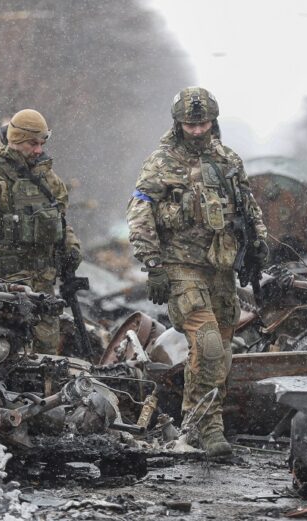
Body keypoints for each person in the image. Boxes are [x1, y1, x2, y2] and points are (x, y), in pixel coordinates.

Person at [126, 87, 268, 457]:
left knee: (218, 351)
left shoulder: (228, 159)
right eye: (190, 124)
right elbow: (139, 211)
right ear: (178, 123)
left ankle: (193, 419)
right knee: (205, 341)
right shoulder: (161, 162)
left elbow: (248, 208)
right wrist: (153, 263)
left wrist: (258, 246)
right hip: (181, 267)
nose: (197, 130)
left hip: (220, 270)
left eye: (202, 123)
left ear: (213, 121)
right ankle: (211, 427)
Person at [0, 109, 81, 355]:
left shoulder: (47, 178)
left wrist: (71, 247)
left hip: (42, 288)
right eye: (32, 143)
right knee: (3, 358)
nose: (39, 150)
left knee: (46, 359)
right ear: (15, 140)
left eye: (42, 143)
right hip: (1, 291)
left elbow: (59, 219)